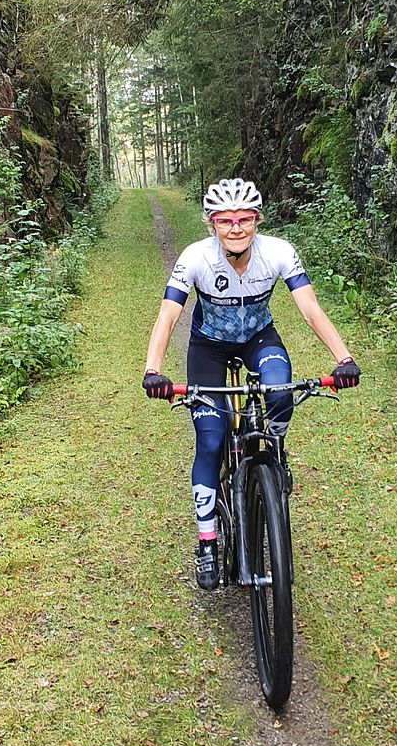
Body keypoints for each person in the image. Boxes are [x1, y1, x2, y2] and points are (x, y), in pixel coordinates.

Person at [142, 177, 360, 590]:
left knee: (280, 393)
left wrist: (343, 358)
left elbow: (310, 307)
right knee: (210, 437)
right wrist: (154, 369)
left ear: (257, 221)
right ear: (211, 224)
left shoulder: (278, 253)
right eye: (226, 220)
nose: (236, 227)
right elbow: (169, 314)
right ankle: (207, 540)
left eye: (245, 219)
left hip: (260, 339)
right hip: (209, 347)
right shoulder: (195, 258)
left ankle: (273, 457)